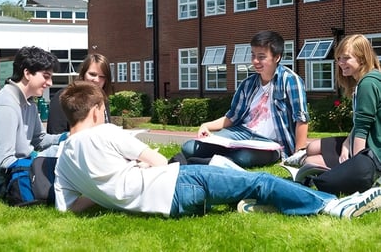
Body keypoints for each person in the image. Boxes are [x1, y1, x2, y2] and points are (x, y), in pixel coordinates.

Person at [53, 80, 381, 219]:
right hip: (178, 186)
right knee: (260, 180)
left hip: (165, 206)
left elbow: (70, 208)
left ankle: (261, 204)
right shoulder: (107, 132)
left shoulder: (64, 160)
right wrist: (137, 172)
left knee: (230, 175)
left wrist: (110, 191)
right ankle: (332, 206)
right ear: (96, 110)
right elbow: (155, 160)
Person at [179, 30, 309, 167]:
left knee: (243, 157)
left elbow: (301, 119)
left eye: (261, 57)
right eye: (253, 55)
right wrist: (206, 125)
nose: (255, 61)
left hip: (270, 142)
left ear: (277, 57)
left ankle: (215, 160)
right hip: (241, 134)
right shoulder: (248, 84)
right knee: (189, 147)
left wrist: (298, 154)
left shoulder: (290, 80)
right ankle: (219, 159)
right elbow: (232, 117)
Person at [0, 46, 66, 195]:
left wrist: (68, 137)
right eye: (46, 76)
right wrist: (39, 160)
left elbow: (40, 139)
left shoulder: (29, 103)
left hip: (24, 169)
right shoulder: (6, 106)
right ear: (27, 73)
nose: (50, 83)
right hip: (6, 183)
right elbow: (5, 162)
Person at [303, 34, 381, 195]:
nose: (340, 63)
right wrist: (346, 144)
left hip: (373, 150)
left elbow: (362, 128)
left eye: (346, 58)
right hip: (364, 142)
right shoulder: (365, 80)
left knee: (309, 162)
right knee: (312, 148)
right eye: (339, 58)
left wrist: (354, 167)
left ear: (362, 58)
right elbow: (360, 123)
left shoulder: (368, 83)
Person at [47, 53, 113, 134]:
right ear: (83, 73)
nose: (97, 80)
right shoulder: (65, 96)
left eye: (102, 77)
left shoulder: (103, 99)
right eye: (92, 74)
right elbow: (55, 133)